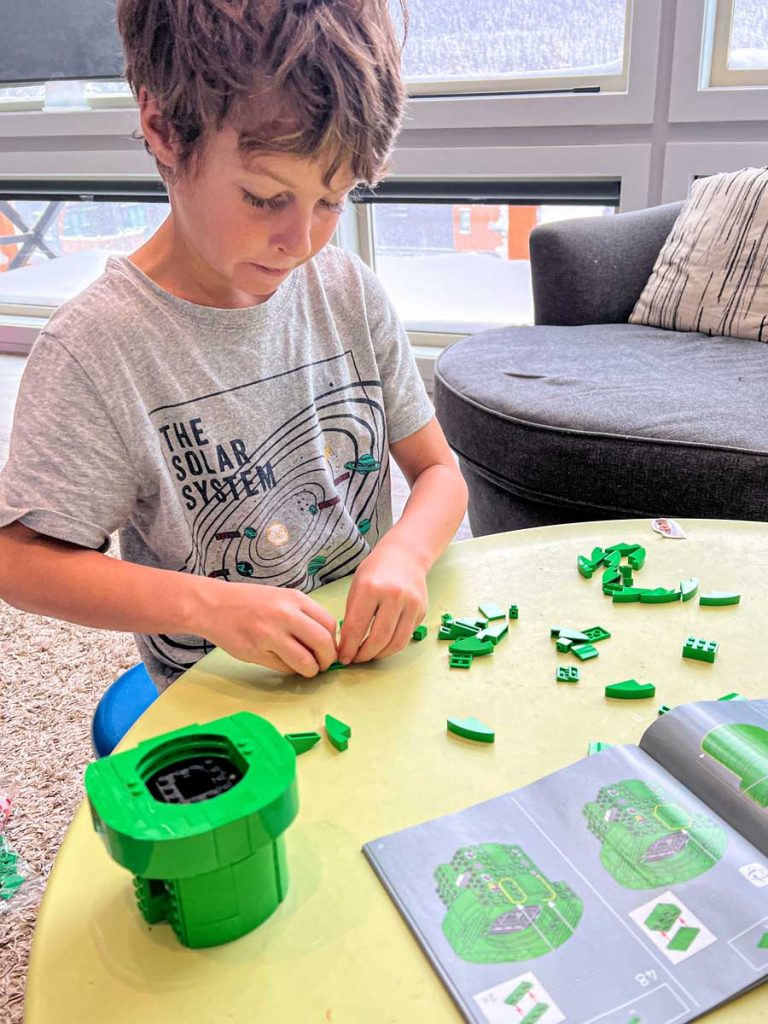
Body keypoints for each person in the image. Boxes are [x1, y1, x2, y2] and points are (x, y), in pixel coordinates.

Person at [0, 0, 468, 691]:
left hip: (368, 662)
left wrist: (403, 553)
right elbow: (21, 561)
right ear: (162, 128)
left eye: (333, 200)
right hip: (220, 690)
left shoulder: (347, 289)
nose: (302, 240)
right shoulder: (97, 348)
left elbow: (439, 474)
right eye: (264, 197)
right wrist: (210, 607)